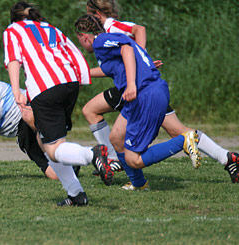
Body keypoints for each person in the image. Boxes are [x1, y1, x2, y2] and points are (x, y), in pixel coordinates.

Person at [82, 0, 239, 184]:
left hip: (136, 86)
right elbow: (112, 66)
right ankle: (226, 157)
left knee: (91, 110)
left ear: (97, 14)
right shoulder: (106, 32)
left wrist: (144, 60)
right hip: (138, 84)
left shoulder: (111, 26)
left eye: (89, 14)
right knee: (177, 131)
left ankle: (112, 160)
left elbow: (139, 29)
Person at [3, 1, 113, 207]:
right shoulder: (50, 27)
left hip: (46, 88)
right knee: (44, 138)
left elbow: (13, 60)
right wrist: (77, 83)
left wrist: (17, 91)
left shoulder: (13, 29)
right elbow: (75, 54)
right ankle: (76, 194)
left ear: (14, 18)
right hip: (70, 82)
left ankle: (93, 155)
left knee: (53, 148)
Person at [75, 14, 201, 190]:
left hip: (144, 94)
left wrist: (132, 84)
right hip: (147, 91)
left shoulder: (100, 41)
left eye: (78, 39)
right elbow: (110, 68)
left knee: (133, 160)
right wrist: (79, 75)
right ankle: (139, 184)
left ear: (84, 36)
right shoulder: (113, 40)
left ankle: (184, 139)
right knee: (116, 138)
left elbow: (126, 50)